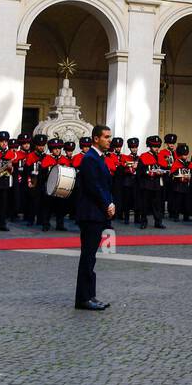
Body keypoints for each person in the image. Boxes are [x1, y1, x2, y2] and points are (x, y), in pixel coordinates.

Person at [75, 124, 115, 311]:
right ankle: (84, 298)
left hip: (97, 213)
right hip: (91, 214)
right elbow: (94, 187)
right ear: (96, 139)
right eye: (106, 137)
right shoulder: (90, 158)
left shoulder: (97, 158)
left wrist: (110, 202)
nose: (109, 139)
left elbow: (104, 186)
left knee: (91, 258)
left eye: (110, 136)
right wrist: (107, 204)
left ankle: (90, 295)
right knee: (88, 257)